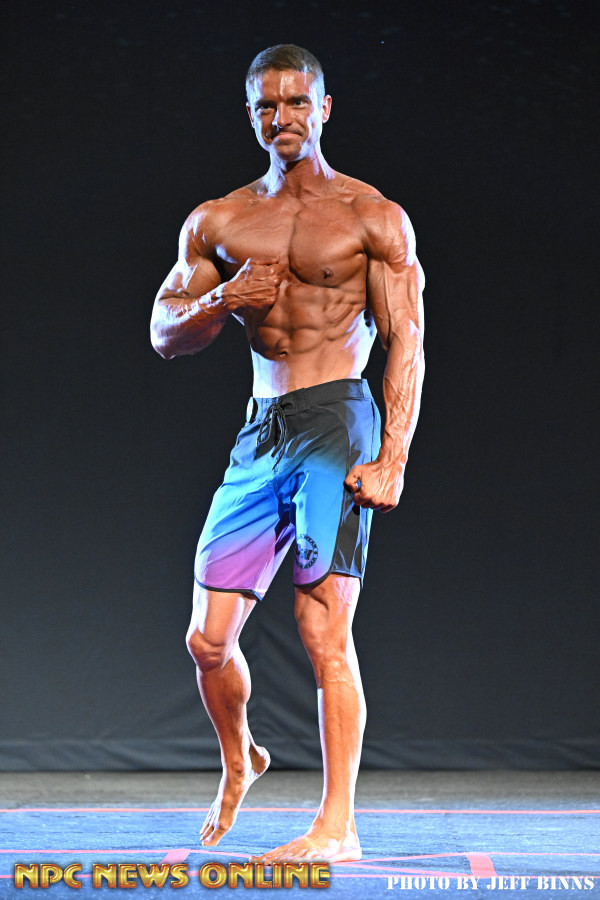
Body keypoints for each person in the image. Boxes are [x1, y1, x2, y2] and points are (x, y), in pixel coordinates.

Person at [150, 44, 425, 864]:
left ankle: (338, 826)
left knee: (321, 626)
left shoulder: (373, 216)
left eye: (297, 102)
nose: (283, 118)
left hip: (337, 418)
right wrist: (222, 298)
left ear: (324, 108)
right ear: (250, 116)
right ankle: (242, 757)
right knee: (207, 641)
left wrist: (394, 456)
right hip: (261, 427)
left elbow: (407, 342)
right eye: (267, 106)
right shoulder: (218, 220)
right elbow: (164, 333)